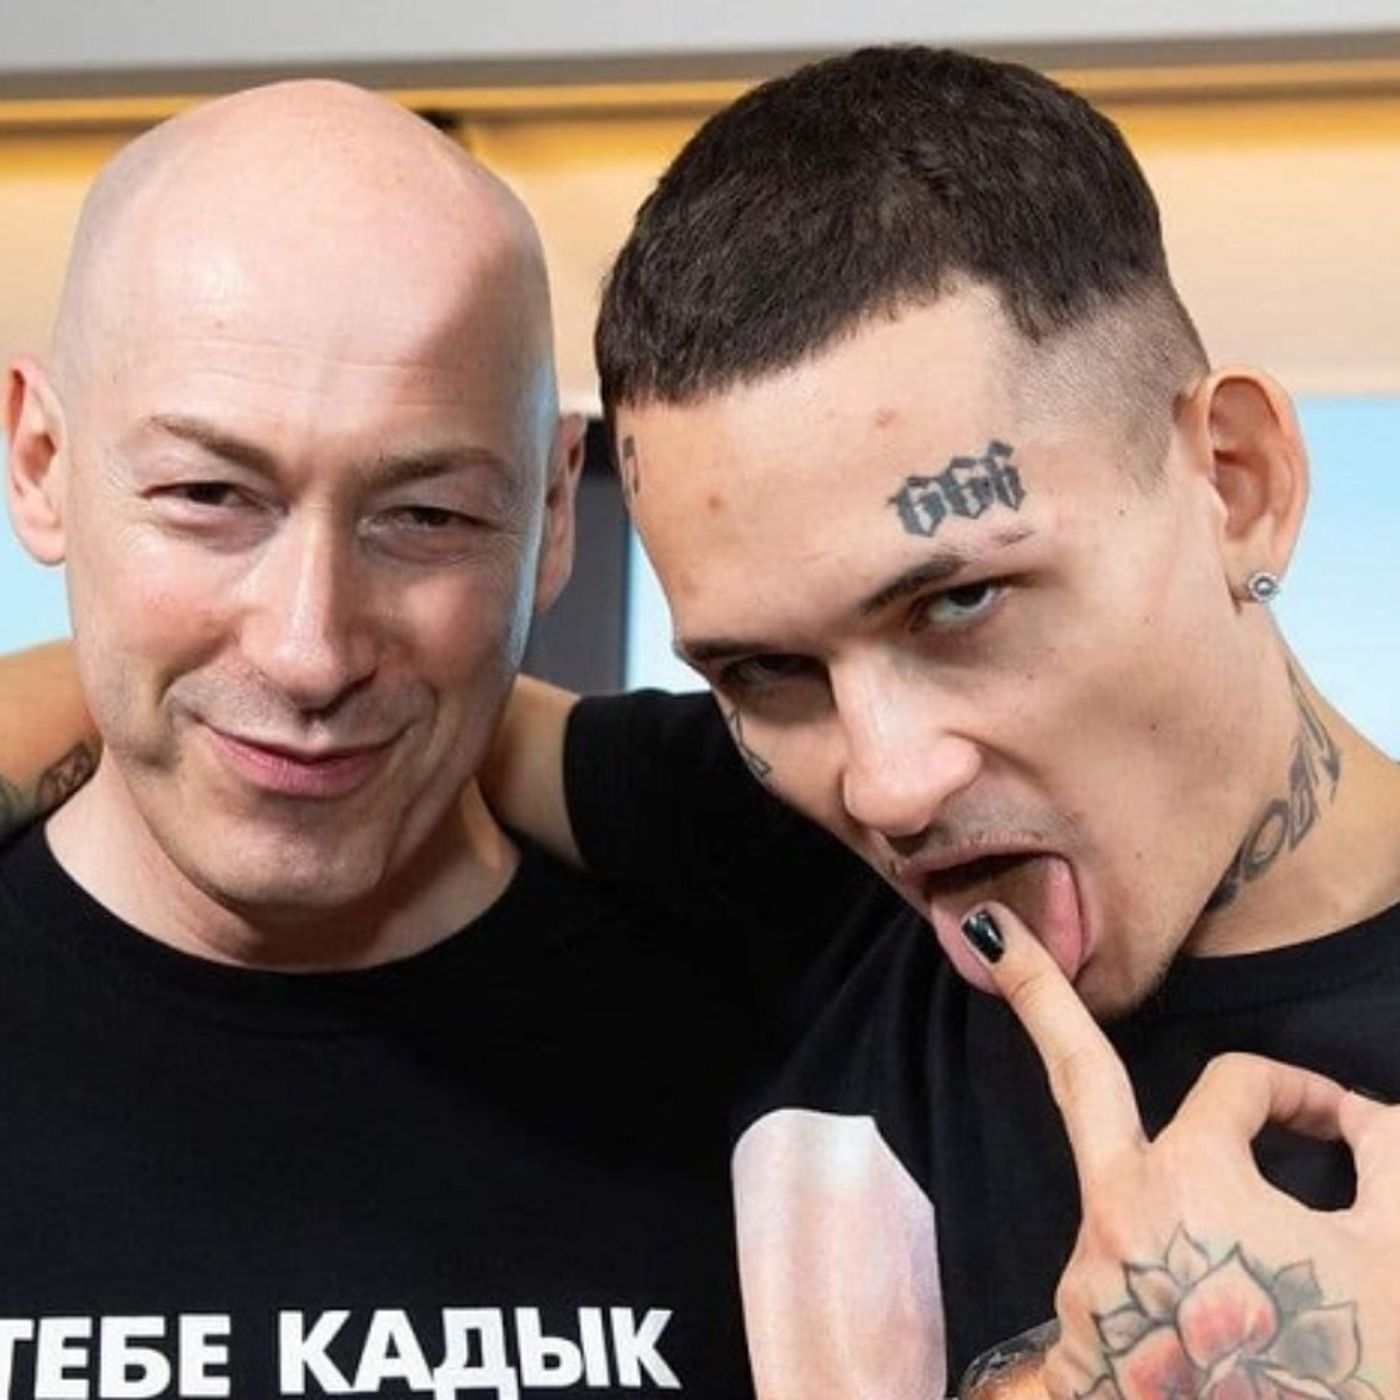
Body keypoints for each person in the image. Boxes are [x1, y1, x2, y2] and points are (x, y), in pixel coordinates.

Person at [6, 48, 1399, 1400]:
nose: (890, 784)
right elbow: (343, 697)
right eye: (767, 670)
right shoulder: (789, 862)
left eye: (961, 602)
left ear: (1237, 482)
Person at [0, 81, 764, 1396]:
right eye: (209, 495)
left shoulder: (788, 1048)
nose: (310, 650)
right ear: (40, 462)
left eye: (427, 518)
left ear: (554, 513)